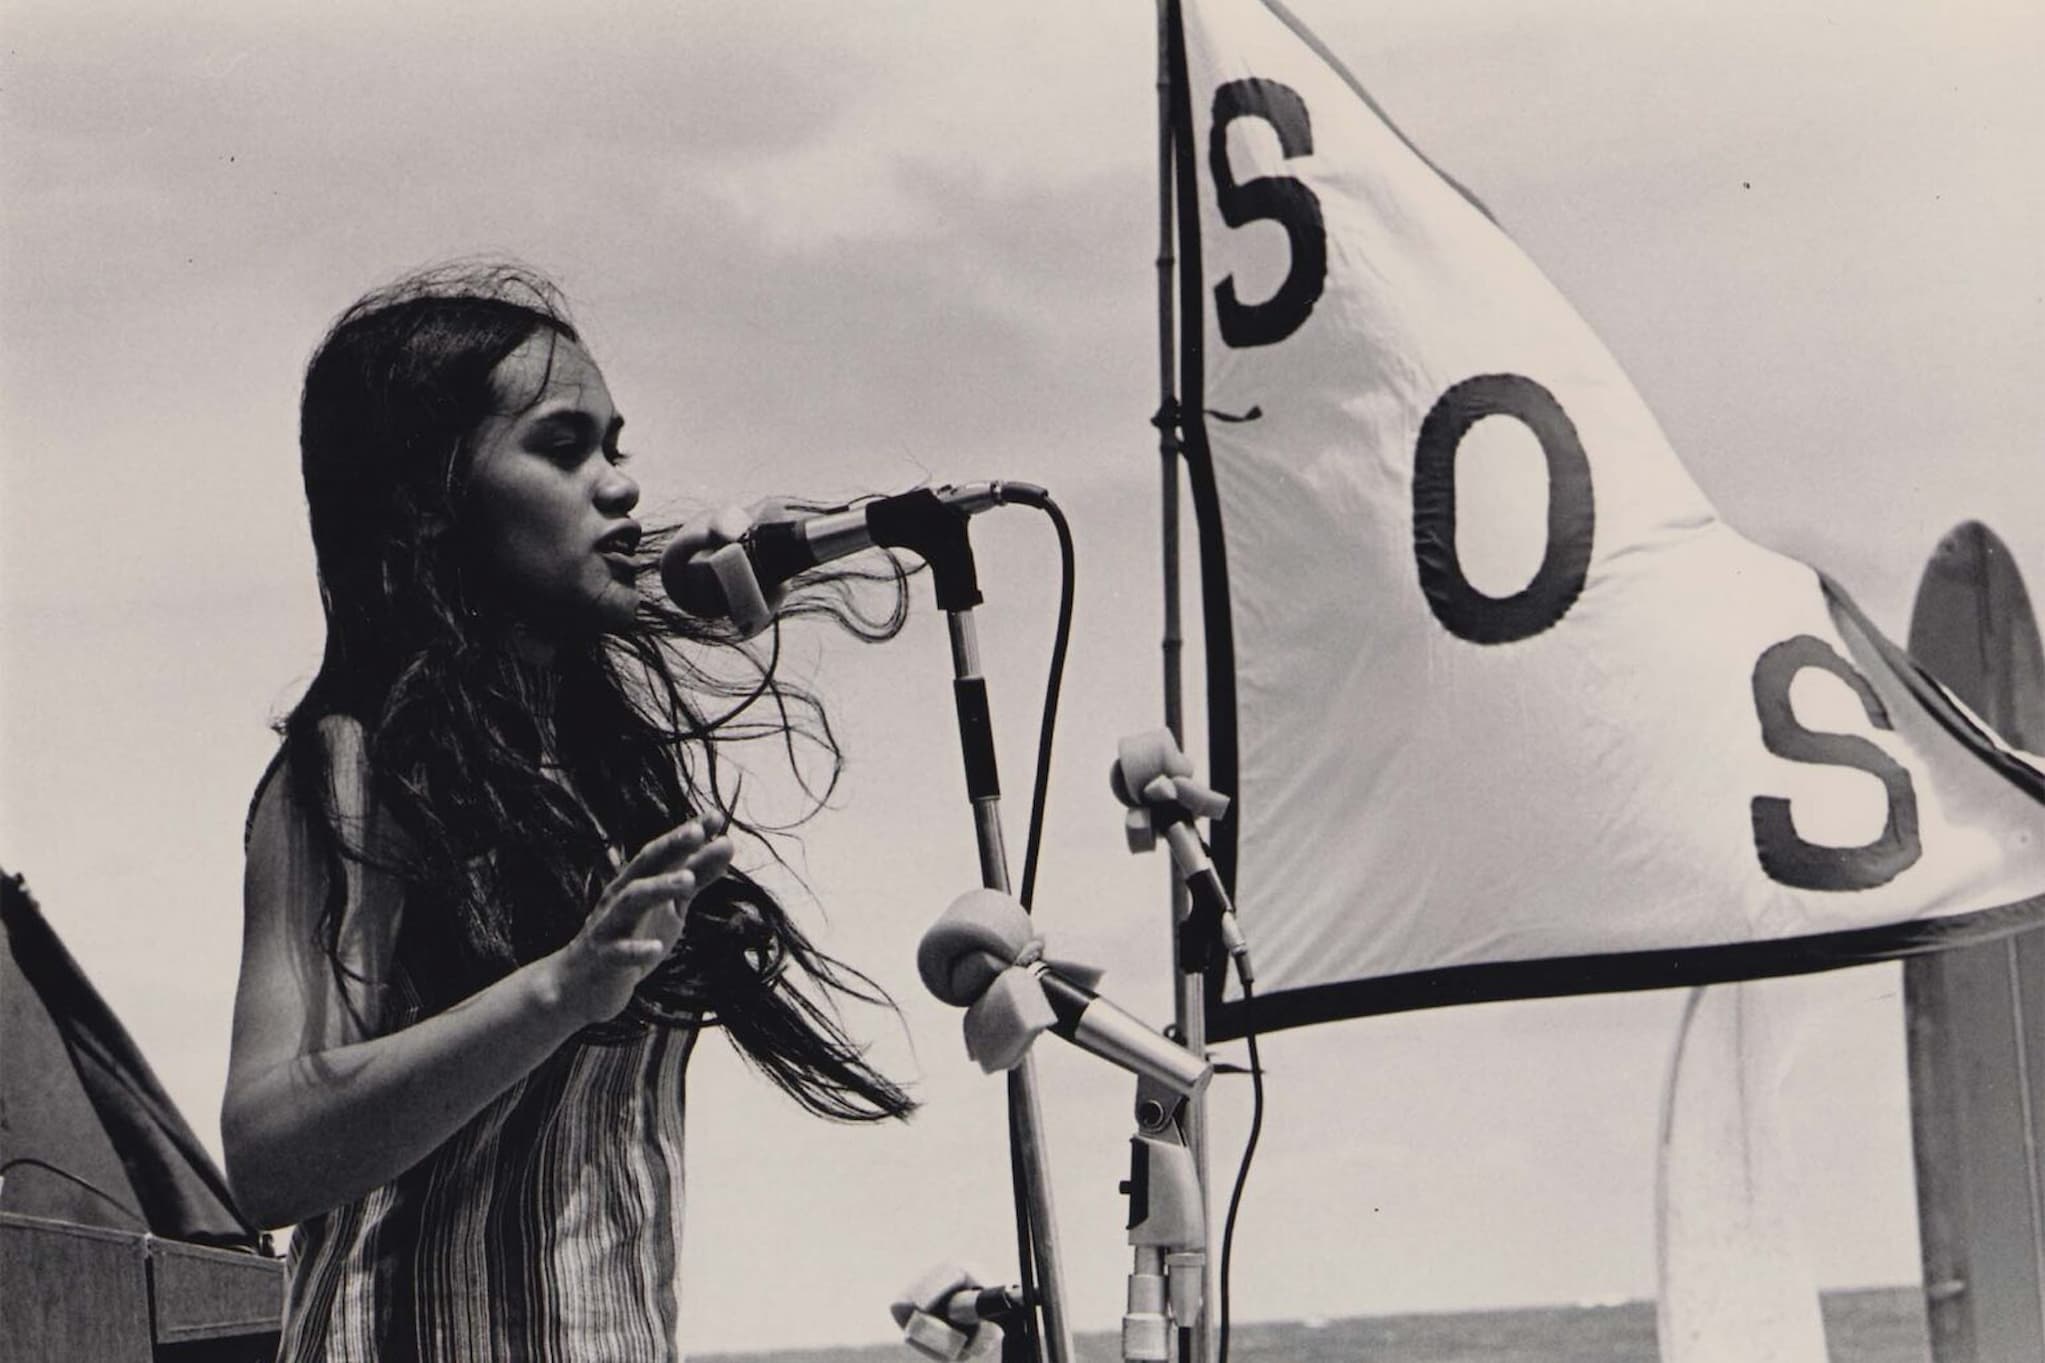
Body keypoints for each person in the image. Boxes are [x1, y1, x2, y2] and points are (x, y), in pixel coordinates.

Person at [223, 262, 915, 1362]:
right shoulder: (354, 766)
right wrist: (557, 990)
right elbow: (268, 1149)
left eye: (615, 445)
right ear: (430, 496)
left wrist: (730, 580)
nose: (620, 486)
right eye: (561, 447)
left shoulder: (590, 775)